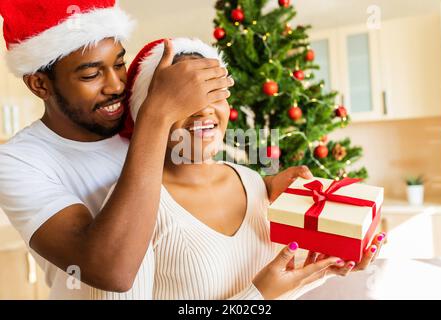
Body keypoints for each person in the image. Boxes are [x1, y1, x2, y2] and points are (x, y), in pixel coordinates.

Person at [91, 38, 386, 300]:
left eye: (215, 94)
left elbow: (276, 291)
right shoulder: (130, 208)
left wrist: (325, 269)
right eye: (186, 99)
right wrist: (258, 296)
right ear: (150, 112)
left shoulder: (251, 181)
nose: (206, 110)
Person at [0, 0, 234, 299]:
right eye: (90, 75)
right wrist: (156, 115)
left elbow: (200, 183)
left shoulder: (138, 116)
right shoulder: (19, 161)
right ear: (39, 84)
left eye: (119, 64)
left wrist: (261, 188)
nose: (116, 85)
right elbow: (112, 271)